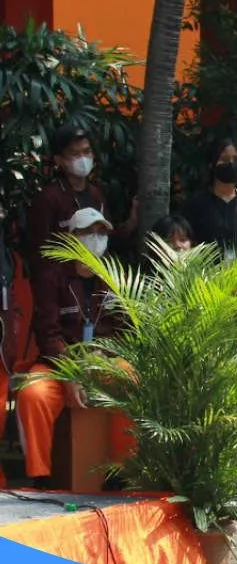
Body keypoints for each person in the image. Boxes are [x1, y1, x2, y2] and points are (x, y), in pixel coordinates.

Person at [16, 208, 134, 489]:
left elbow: (126, 329)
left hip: (104, 360)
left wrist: (105, 355)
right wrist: (72, 370)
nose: (96, 238)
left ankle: (121, 470)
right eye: (88, 232)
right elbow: (47, 332)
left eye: (101, 232)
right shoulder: (51, 275)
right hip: (59, 364)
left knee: (131, 379)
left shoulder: (114, 275)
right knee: (33, 395)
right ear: (71, 238)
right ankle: (40, 475)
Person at [26, 124, 138, 273]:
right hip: (64, 286)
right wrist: (72, 269)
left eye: (87, 152)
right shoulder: (49, 198)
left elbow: (107, 235)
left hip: (97, 278)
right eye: (74, 154)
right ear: (59, 160)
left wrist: (132, 221)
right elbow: (40, 250)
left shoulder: (96, 195)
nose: (82, 159)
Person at [181, 138, 237, 260]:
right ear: (212, 163)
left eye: (235, 159)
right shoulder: (195, 204)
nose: (231, 163)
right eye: (224, 159)